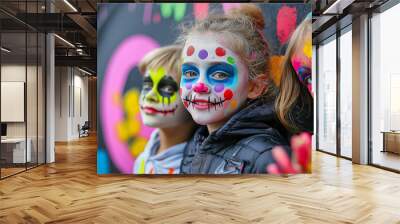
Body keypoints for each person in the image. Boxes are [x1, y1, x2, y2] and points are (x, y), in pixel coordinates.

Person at [178, 4, 313, 174]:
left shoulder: (266, 157)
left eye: (219, 74)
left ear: (255, 87)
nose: (199, 86)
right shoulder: (195, 142)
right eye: (190, 72)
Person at [133, 45, 197, 174]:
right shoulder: (143, 160)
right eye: (147, 86)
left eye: (167, 89)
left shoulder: (200, 168)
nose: (150, 96)